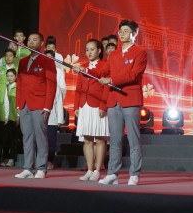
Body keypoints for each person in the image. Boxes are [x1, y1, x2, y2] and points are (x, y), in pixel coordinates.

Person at [98, 19, 147, 186]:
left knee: (133, 138)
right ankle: (112, 173)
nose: (122, 34)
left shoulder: (140, 52)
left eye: (126, 31)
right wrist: (85, 69)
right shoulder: (114, 54)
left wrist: (111, 80)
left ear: (134, 34)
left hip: (130, 99)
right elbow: (103, 71)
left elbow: (133, 75)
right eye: (120, 31)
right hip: (114, 101)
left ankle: (134, 174)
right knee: (115, 139)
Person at [14, 32, 57, 179]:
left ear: (42, 43)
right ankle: (28, 168)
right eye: (30, 40)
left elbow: (51, 85)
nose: (31, 42)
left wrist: (47, 107)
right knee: (27, 136)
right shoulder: (22, 61)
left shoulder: (47, 61)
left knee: (40, 137)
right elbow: (19, 84)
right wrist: (18, 105)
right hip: (24, 104)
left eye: (35, 40)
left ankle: (41, 168)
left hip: (39, 104)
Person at [73, 39, 110, 181]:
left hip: (98, 105)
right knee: (87, 139)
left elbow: (106, 88)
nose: (89, 52)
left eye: (92, 49)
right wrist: (76, 106)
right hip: (84, 106)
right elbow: (78, 88)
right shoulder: (83, 67)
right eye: (87, 50)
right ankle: (89, 169)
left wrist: (103, 106)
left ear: (99, 51)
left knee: (100, 139)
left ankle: (97, 170)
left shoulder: (105, 65)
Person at [44, 36, 67, 170]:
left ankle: (50, 160)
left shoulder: (58, 72)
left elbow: (60, 93)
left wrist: (60, 118)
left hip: (53, 112)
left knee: (51, 139)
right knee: (40, 138)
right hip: (39, 111)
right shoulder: (39, 71)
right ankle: (40, 160)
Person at [3, 68, 20, 167]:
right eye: (8, 76)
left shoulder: (18, 87)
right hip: (5, 117)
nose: (9, 78)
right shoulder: (5, 87)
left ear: (16, 77)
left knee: (13, 139)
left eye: (11, 76)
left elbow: (19, 103)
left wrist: (18, 116)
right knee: (5, 138)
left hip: (14, 116)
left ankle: (12, 159)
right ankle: (5, 158)